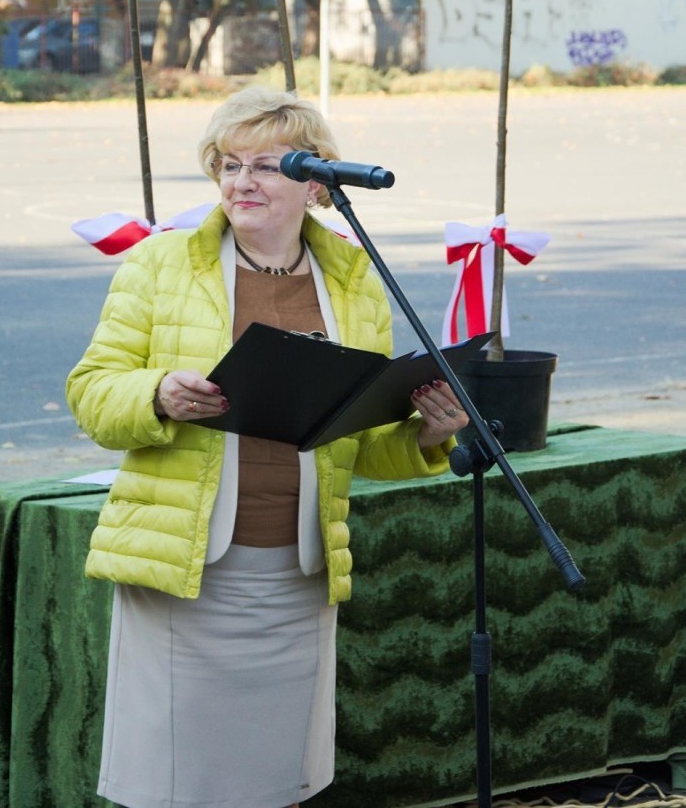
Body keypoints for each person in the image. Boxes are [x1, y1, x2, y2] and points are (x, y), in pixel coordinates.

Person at [67, 85, 469, 808]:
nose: (241, 181)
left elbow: (358, 442)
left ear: (316, 184)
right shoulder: (160, 266)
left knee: (278, 780)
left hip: (296, 572)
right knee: (175, 781)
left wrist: (429, 436)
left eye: (265, 165)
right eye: (228, 164)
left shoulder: (352, 279)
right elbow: (93, 393)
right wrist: (158, 393)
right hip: (186, 570)